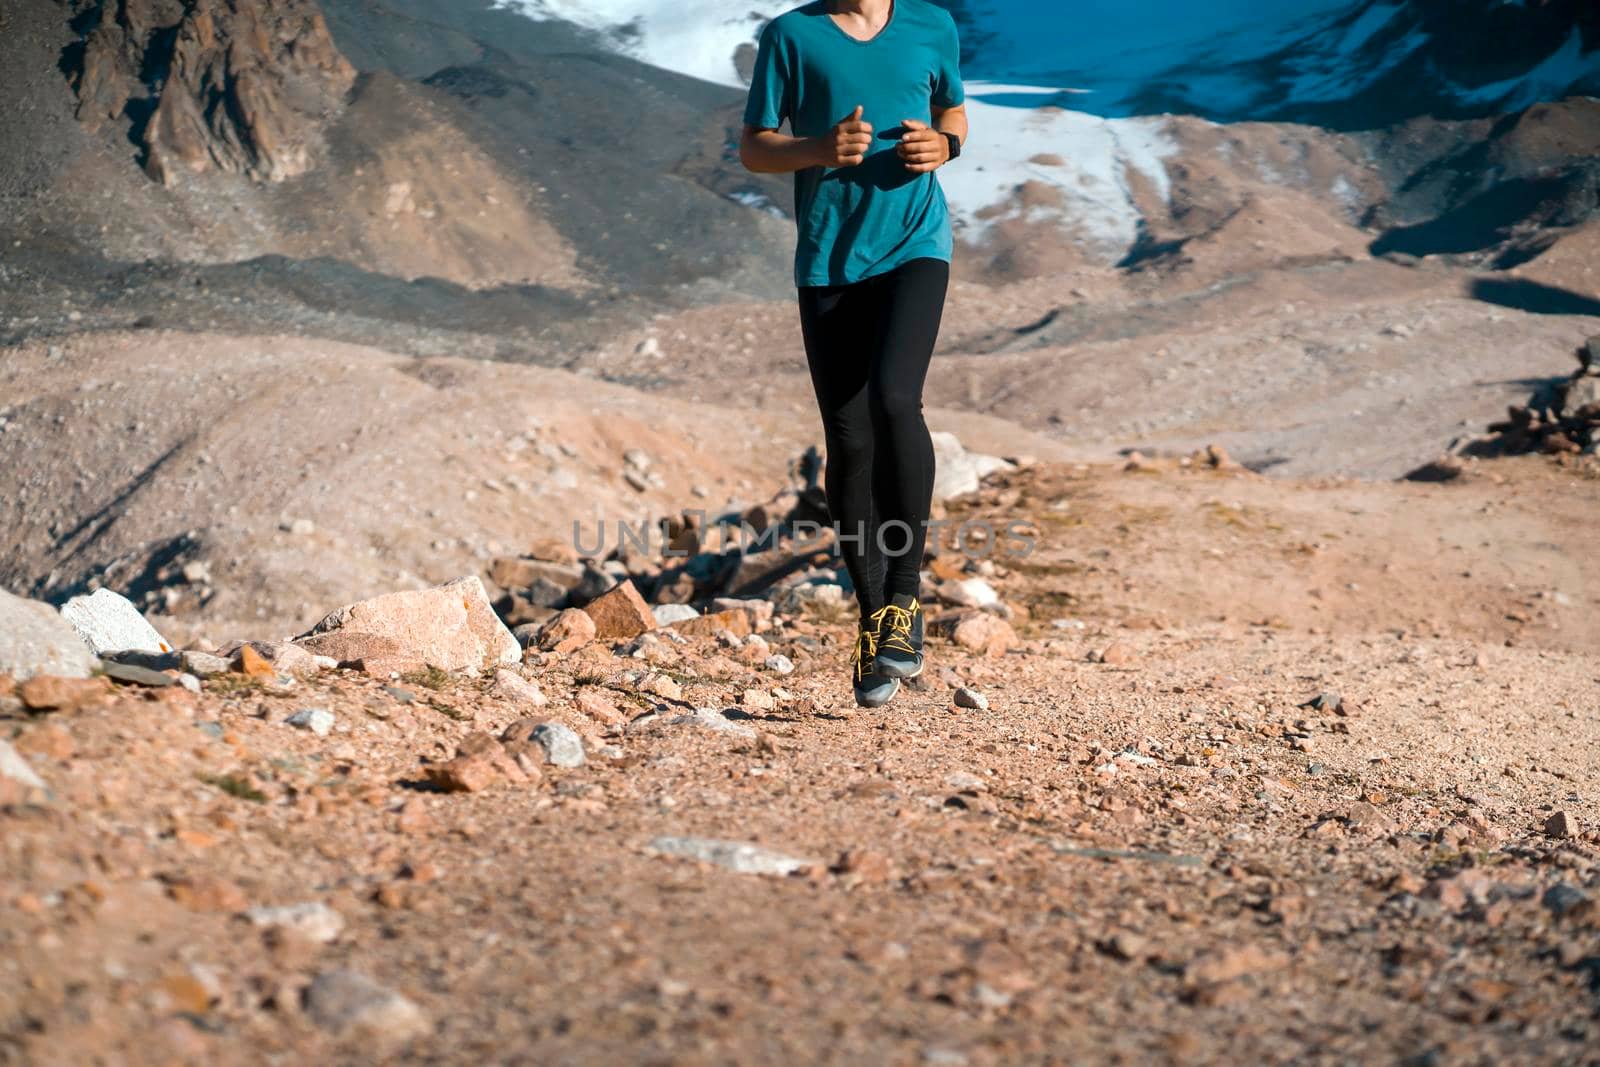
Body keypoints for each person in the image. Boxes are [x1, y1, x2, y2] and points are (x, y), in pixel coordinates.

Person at [738, 0, 967, 708]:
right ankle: (874, 619)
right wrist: (817, 149)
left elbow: (953, 112)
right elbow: (754, 146)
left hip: (915, 243)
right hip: (830, 258)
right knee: (848, 432)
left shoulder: (932, 25)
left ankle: (905, 600)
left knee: (896, 397)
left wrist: (945, 146)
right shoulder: (790, 36)